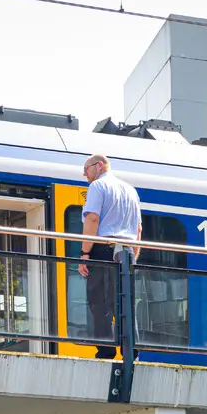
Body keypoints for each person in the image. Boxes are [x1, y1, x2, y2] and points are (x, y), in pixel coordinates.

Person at [76, 153, 141, 359]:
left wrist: (85, 253)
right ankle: (131, 351)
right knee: (125, 303)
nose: (85, 174)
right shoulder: (131, 190)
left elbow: (93, 219)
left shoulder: (97, 187)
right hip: (127, 252)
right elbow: (138, 229)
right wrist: (134, 258)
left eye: (86, 169)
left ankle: (105, 351)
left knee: (100, 302)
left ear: (100, 165)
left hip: (103, 249)